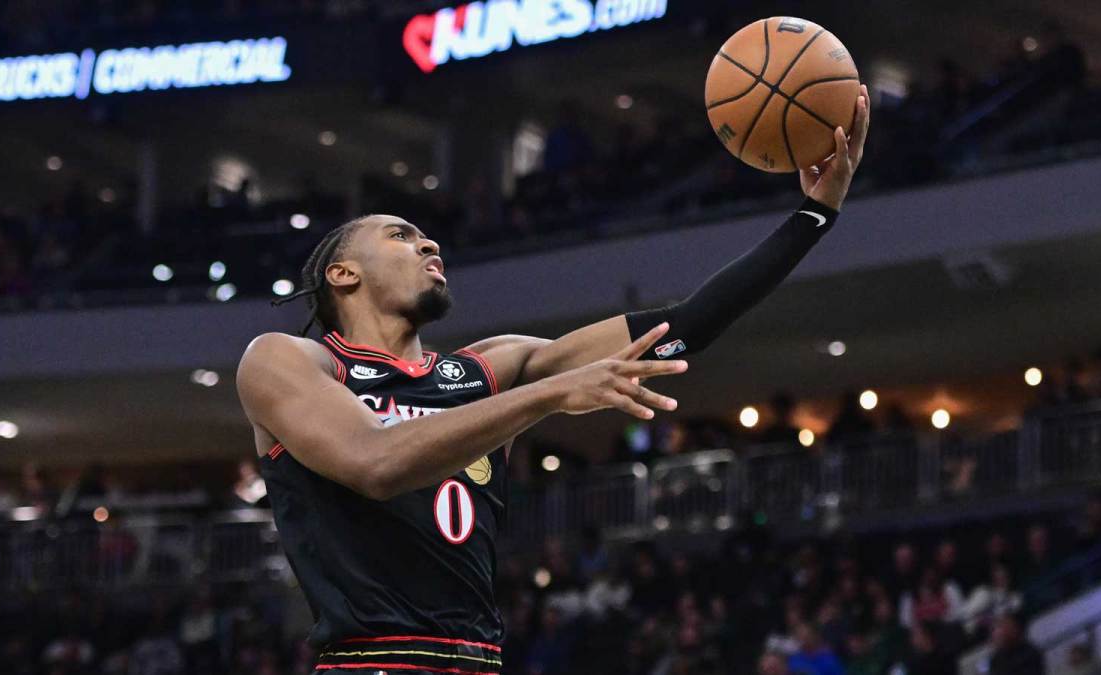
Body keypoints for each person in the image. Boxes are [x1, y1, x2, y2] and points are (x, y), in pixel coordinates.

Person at [236, 88, 871, 672]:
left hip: (480, 659)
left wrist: (813, 216)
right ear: (343, 276)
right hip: (374, 660)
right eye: (403, 237)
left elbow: (683, 326)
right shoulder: (291, 361)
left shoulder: (489, 368)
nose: (431, 248)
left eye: (431, 239)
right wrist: (544, 396)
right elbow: (374, 461)